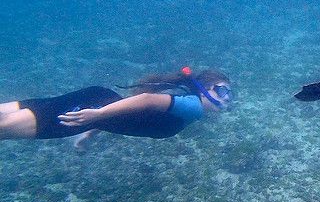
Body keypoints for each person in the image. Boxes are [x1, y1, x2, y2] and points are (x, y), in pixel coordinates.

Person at [0, 67, 232, 146]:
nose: (227, 98)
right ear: (204, 89)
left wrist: (92, 129)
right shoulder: (193, 107)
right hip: (89, 109)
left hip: (93, 104)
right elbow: (146, 100)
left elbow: (136, 113)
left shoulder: (186, 104)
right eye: (221, 90)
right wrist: (97, 115)